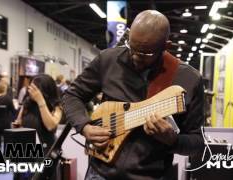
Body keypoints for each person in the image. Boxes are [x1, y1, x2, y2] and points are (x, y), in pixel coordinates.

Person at [63, 10, 205, 180]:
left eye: (145, 53)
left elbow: (197, 144)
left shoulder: (188, 79)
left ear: (166, 46)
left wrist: (172, 140)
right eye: (132, 47)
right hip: (100, 173)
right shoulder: (108, 60)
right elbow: (72, 95)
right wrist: (84, 126)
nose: (135, 57)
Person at [13, 74, 63, 154]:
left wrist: (40, 101)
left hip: (47, 151)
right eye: (31, 87)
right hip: (27, 150)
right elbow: (19, 122)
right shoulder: (27, 103)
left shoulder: (56, 107)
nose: (30, 90)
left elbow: (50, 126)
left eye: (34, 88)